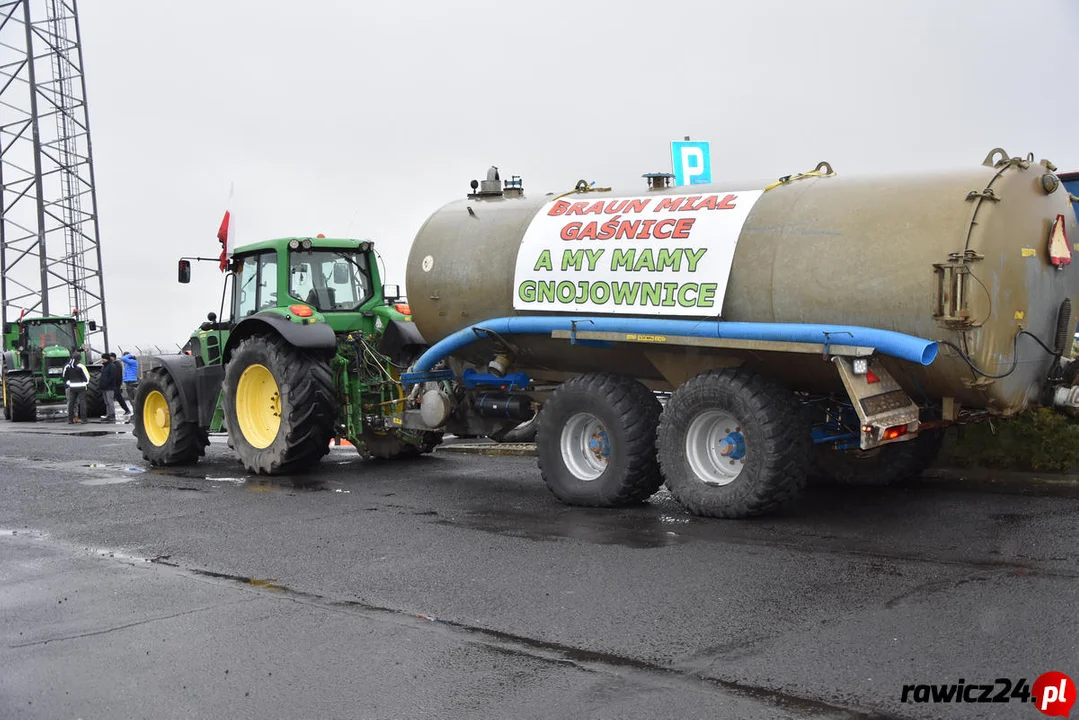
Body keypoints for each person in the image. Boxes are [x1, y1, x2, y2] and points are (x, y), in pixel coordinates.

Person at [62, 347, 90, 424]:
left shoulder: (67, 366)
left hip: (72, 387)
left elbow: (64, 377)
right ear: (79, 359)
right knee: (82, 403)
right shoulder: (81, 366)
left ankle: (70, 419)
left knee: (71, 403)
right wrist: (85, 383)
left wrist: (69, 384)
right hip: (81, 387)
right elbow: (87, 377)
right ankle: (84, 419)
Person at [98, 352, 119, 421]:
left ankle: (111, 414)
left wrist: (106, 383)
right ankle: (108, 414)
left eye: (103, 358)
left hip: (109, 387)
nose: (102, 359)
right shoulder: (104, 366)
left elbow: (112, 377)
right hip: (104, 387)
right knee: (106, 402)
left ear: (106, 358)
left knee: (110, 401)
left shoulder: (111, 366)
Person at [111, 353, 131, 418]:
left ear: (113, 357)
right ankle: (126, 410)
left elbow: (117, 375)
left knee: (118, 397)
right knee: (118, 397)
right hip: (117, 383)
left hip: (116, 384)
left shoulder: (116, 364)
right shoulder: (117, 364)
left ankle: (126, 410)